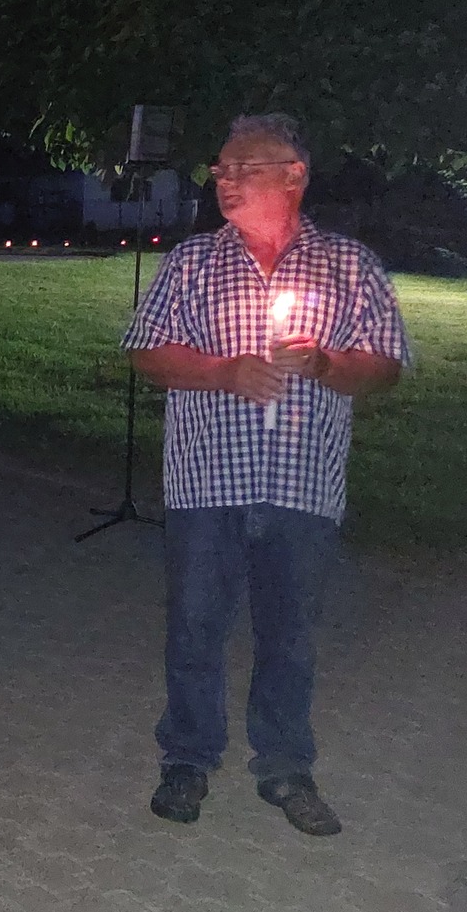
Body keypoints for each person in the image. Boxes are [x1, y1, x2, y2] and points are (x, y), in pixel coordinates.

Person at [124, 113, 408, 837]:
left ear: (294, 174)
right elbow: (146, 351)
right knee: (195, 625)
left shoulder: (350, 265)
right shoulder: (192, 262)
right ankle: (187, 757)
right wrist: (223, 371)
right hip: (207, 480)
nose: (224, 179)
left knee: (291, 634)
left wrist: (326, 364)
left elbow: (385, 364)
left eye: (243, 167)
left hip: (303, 483)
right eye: (219, 168)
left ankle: (285, 763)